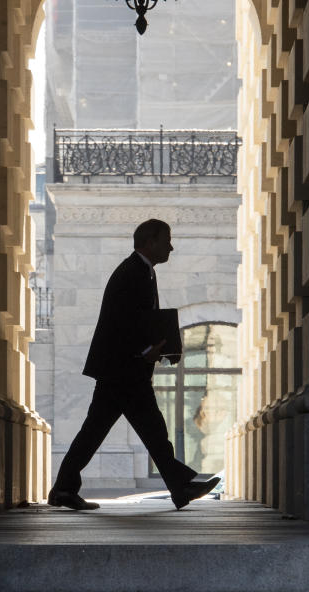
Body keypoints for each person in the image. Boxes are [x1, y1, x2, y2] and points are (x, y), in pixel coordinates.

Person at [47, 219, 220, 511]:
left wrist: (159, 348)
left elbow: (138, 321)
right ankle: (180, 486)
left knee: (103, 431)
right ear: (150, 242)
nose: (171, 246)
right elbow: (122, 322)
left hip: (122, 369)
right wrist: (145, 351)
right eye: (167, 240)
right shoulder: (133, 273)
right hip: (124, 371)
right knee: (147, 429)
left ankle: (64, 489)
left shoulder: (140, 272)